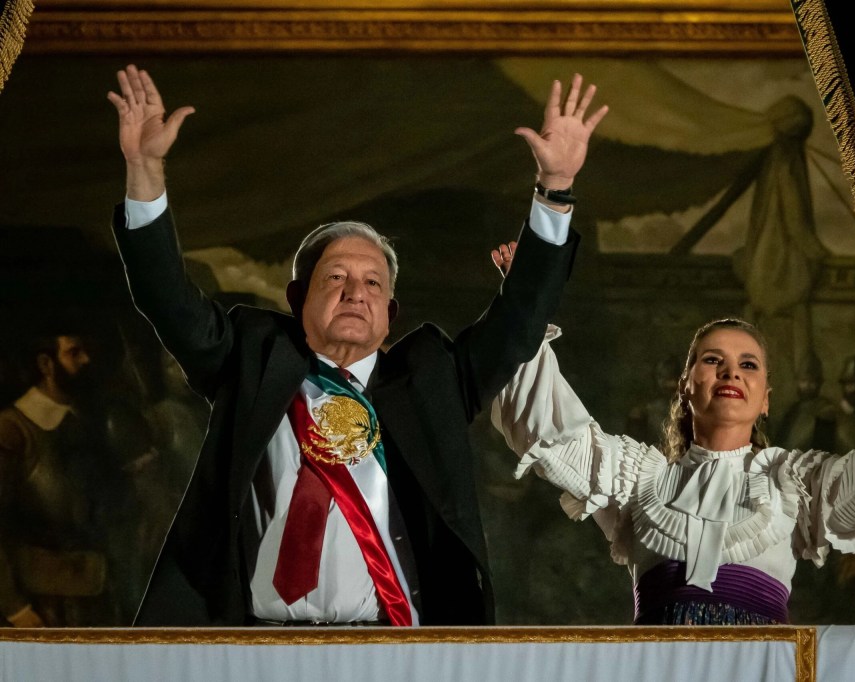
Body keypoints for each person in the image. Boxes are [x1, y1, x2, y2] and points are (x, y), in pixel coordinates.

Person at [107, 64, 607, 626]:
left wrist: (555, 189)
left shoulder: (431, 380)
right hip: (257, 648)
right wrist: (144, 169)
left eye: (373, 282)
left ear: (390, 314)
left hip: (396, 648)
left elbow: (520, 320)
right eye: (335, 278)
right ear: (298, 298)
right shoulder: (249, 358)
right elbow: (166, 299)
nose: (355, 292)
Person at [489, 267, 855, 624]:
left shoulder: (792, 482)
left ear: (766, 399)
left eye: (748, 365)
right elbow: (545, 427)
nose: (730, 373)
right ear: (685, 386)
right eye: (712, 360)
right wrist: (525, 301)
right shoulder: (637, 479)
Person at [0, 330, 118, 627]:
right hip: (44, 603)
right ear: (46, 364)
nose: (86, 360)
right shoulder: (12, 429)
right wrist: (15, 608)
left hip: (97, 590)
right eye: (74, 352)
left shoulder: (85, 420)